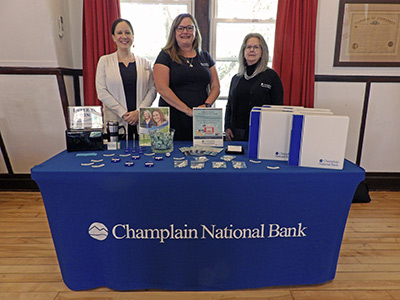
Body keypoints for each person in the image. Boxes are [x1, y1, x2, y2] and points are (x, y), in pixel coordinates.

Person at [153, 13, 220, 140]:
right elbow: (162, 89)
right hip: (173, 117)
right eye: (180, 28)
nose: (185, 32)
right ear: (174, 32)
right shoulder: (165, 55)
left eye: (190, 28)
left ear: (195, 31)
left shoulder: (205, 56)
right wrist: (188, 110)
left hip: (201, 118)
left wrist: (206, 106)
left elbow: (216, 86)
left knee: (203, 156)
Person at [96, 18, 157, 139]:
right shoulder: (104, 61)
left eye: (127, 33)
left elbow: (153, 89)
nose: (124, 36)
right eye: (119, 33)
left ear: (133, 36)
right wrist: (124, 114)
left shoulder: (145, 63)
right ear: (113, 37)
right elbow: (102, 92)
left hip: (142, 122)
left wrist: (138, 113)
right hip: (116, 123)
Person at [225, 33, 284, 141]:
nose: (252, 50)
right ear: (243, 51)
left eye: (256, 47)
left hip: (261, 132)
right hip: (236, 133)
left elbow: (278, 108)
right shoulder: (236, 78)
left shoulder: (271, 76)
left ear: (262, 52)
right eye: (248, 47)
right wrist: (227, 126)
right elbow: (229, 105)